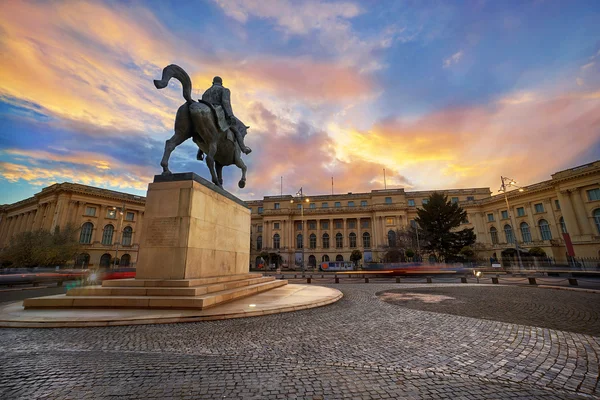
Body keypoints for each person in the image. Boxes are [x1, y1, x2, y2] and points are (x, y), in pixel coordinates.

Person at [197, 76, 251, 160]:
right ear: (221, 83)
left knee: (205, 131)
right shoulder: (224, 90)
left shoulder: (206, 92)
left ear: (212, 83)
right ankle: (243, 148)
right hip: (219, 111)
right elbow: (226, 103)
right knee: (238, 129)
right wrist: (230, 116)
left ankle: (200, 152)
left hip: (206, 112)